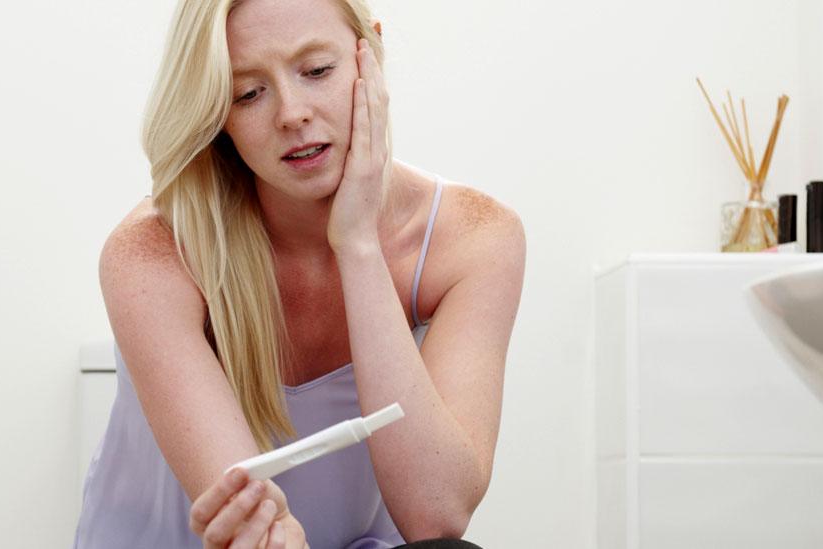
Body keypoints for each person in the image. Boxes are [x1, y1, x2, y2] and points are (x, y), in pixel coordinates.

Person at [72, 0, 525, 547]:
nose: (291, 113)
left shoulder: (476, 237)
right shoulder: (151, 252)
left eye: (316, 71)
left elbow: (437, 517)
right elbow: (250, 522)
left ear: (369, 56)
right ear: (217, 113)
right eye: (248, 93)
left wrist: (356, 243)